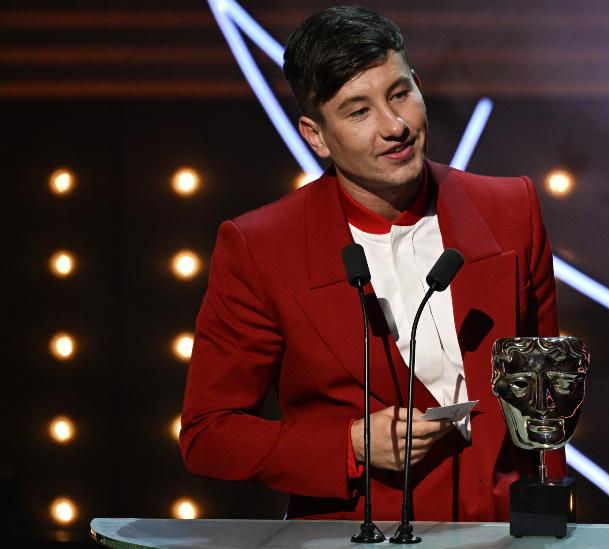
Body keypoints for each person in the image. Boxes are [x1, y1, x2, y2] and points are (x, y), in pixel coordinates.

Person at [179, 5, 564, 522]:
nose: (395, 126)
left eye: (400, 94)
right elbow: (210, 434)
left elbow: (547, 398)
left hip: (503, 529)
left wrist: (550, 522)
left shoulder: (510, 209)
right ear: (315, 135)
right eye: (358, 112)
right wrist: (350, 445)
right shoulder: (261, 246)